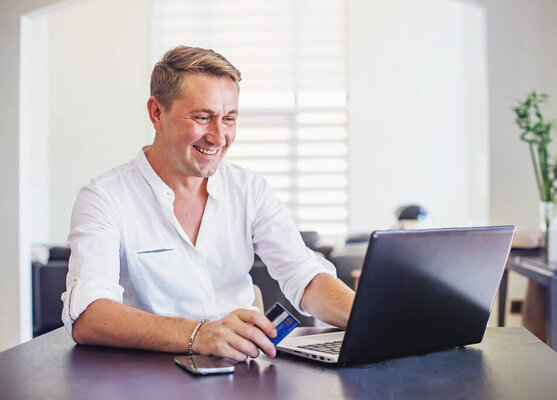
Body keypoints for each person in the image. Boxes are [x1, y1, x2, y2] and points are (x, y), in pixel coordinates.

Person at [61, 46, 355, 362]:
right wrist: (200, 334)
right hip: (146, 376)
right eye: (203, 117)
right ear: (157, 113)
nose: (218, 137)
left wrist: (372, 321)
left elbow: (303, 274)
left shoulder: (249, 189)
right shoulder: (105, 198)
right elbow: (88, 315)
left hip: (241, 376)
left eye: (228, 119)